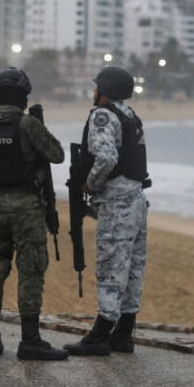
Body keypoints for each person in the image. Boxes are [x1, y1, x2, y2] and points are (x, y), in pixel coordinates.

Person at [0, 67, 68, 361]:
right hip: (26, 209)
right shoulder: (27, 124)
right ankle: (30, 340)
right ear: (24, 97)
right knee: (30, 270)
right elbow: (57, 154)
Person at [63, 65, 149, 357]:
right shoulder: (131, 116)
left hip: (116, 201)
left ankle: (100, 336)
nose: (94, 91)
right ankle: (123, 335)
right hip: (137, 199)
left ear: (105, 90)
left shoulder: (103, 116)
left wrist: (90, 184)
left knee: (111, 268)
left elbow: (107, 158)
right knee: (133, 269)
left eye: (97, 86)